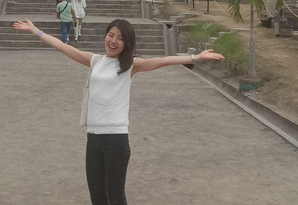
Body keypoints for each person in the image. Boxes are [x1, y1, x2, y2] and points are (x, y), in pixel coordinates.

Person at [12, 18, 224, 205]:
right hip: (93, 139)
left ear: (126, 43)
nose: (113, 41)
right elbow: (62, 46)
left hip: (116, 140)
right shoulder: (94, 60)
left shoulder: (131, 65)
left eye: (119, 38)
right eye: (110, 35)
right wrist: (35, 30)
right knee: (97, 197)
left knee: (115, 197)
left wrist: (196, 57)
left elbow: (162, 61)